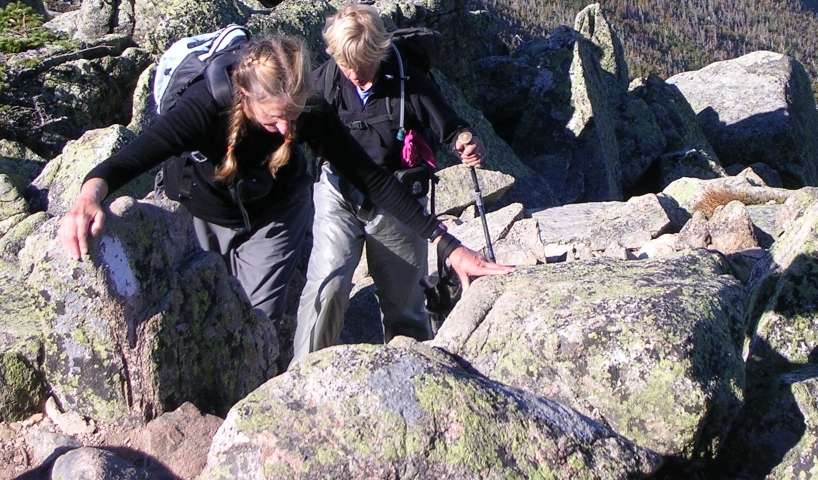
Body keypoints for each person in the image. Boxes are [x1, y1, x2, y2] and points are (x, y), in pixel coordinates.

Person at [58, 34, 510, 333]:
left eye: (293, 116)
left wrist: (449, 245)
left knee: (257, 319)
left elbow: (370, 178)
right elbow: (135, 155)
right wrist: (89, 196)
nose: (287, 132)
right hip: (205, 209)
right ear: (246, 98)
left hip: (276, 209)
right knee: (202, 313)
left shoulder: (306, 108)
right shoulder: (205, 109)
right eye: (275, 119)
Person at [291, 5, 495, 364]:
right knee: (328, 285)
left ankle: (412, 373)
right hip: (338, 191)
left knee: (405, 306)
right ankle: (304, 373)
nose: (355, 75)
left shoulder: (409, 81)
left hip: (396, 199)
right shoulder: (324, 82)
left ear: (380, 52)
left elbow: (449, 125)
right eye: (347, 65)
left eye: (364, 65)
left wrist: (465, 140)